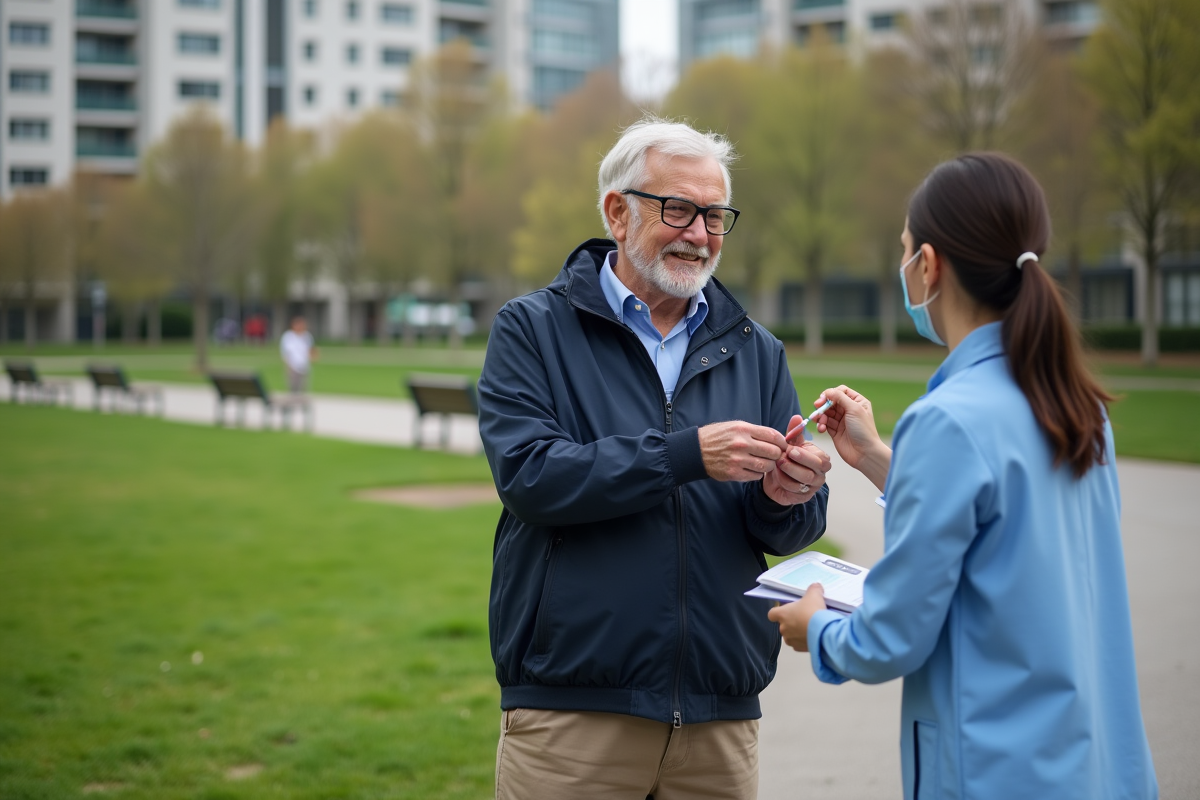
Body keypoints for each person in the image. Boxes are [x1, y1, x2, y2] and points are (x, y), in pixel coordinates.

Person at [768, 153, 1158, 800]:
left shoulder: (948, 420)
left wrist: (820, 630)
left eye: (902, 251)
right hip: (1098, 766)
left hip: (1000, 770)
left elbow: (892, 635)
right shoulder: (1076, 404)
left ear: (930, 264)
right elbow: (1005, 531)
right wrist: (874, 458)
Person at [478, 117, 832, 800]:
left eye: (715, 216)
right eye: (678, 210)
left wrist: (789, 496)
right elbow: (530, 476)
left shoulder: (757, 349)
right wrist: (685, 455)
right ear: (617, 211)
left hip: (719, 718)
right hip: (572, 713)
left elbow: (784, 531)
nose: (699, 234)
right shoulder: (531, 329)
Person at [280, 316, 317, 394]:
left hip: (304, 366)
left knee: (303, 389)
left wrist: (313, 356)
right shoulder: (288, 336)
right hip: (293, 366)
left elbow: (311, 349)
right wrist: (288, 365)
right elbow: (285, 352)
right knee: (293, 389)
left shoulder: (307, 336)